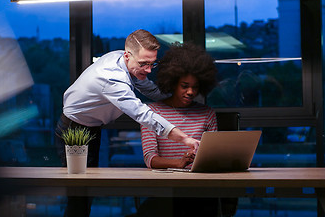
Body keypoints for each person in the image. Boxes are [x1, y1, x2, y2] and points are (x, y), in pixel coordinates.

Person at [55, 29, 199, 217]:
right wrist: (186, 139)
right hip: (73, 130)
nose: (148, 70)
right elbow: (142, 114)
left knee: (87, 193)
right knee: (79, 196)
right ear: (127, 55)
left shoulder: (125, 62)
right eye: (143, 64)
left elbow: (150, 89)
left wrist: (177, 95)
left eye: (151, 64)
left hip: (92, 129)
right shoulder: (112, 78)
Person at [136, 42, 237, 217]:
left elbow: (213, 156)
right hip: (166, 192)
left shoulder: (207, 113)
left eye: (195, 87)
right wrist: (179, 163)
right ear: (173, 82)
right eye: (184, 86)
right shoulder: (152, 112)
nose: (190, 92)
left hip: (201, 190)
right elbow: (150, 158)